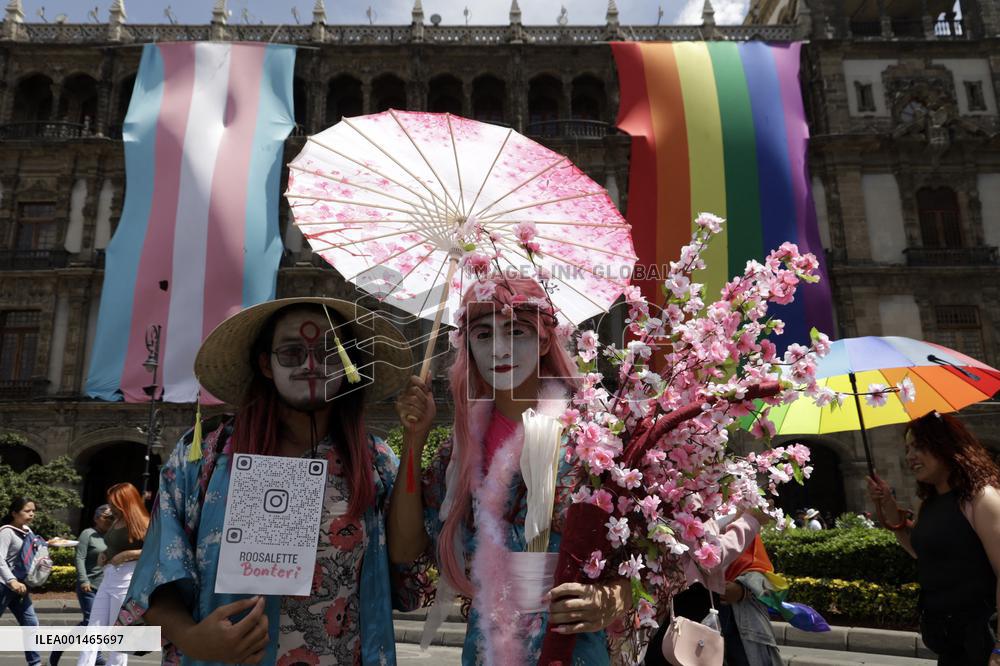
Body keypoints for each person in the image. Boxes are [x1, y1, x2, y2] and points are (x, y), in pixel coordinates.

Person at [118, 297, 424, 664]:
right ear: (266, 364)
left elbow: (405, 554)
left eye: (329, 352)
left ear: (349, 364)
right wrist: (193, 638)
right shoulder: (207, 458)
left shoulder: (374, 461)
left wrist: (413, 441)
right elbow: (159, 567)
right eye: (292, 353)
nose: (311, 366)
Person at [389, 276, 633, 665]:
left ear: (543, 340)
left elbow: (649, 558)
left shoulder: (593, 437)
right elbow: (405, 550)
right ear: (466, 344)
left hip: (572, 647)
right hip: (487, 648)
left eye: (516, 331)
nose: (500, 349)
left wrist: (613, 596)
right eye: (483, 335)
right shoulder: (458, 453)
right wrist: (414, 440)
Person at [868, 411, 1000, 666]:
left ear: (945, 445)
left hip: (984, 640)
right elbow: (921, 551)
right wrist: (888, 504)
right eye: (907, 449)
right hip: (948, 641)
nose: (910, 457)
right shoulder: (929, 503)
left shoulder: (983, 499)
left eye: (918, 447)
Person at [77, 484, 148, 666]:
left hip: (127, 579)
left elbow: (154, 551)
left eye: (114, 502)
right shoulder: (116, 521)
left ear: (125, 500)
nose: (110, 506)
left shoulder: (143, 522)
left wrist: (128, 554)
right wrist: (105, 554)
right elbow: (113, 545)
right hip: (109, 577)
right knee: (93, 629)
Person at [49, 505, 113, 666]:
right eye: (106, 517)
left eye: (112, 517)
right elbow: (80, 558)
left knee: (92, 623)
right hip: (89, 586)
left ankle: (60, 647)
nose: (109, 520)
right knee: (91, 621)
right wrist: (84, 580)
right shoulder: (88, 534)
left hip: (105, 587)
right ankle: (96, 657)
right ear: (96, 518)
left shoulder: (113, 535)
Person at [0, 498, 43, 666]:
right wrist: (11, 580)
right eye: (27, 511)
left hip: (20, 587)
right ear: (14, 513)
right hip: (4, 585)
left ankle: (35, 663)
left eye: (33, 510)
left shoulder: (27, 530)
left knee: (31, 623)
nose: (31, 514)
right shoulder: (6, 532)